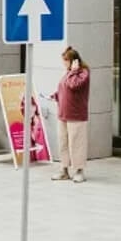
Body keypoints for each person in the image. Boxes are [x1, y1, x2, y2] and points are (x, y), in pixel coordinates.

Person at [49, 47, 90, 184]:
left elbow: (74, 85)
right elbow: (65, 88)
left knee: (77, 144)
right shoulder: (68, 73)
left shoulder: (83, 73)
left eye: (66, 60)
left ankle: (79, 171)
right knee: (63, 143)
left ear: (74, 61)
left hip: (76, 115)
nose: (64, 63)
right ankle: (64, 170)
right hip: (63, 114)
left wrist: (74, 71)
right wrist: (56, 95)